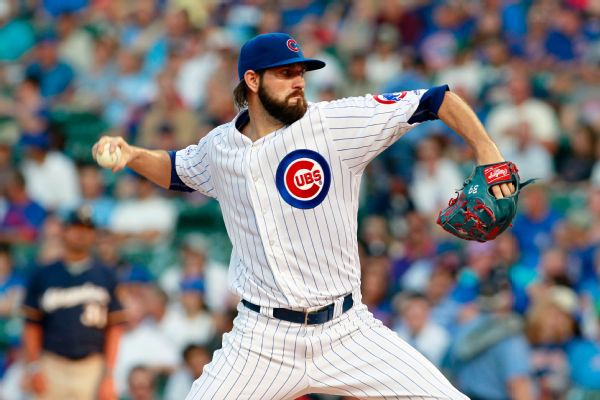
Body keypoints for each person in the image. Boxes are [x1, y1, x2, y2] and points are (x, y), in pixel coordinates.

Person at [93, 32, 516, 399]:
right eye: (285, 73)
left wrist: (488, 151)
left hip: (347, 331)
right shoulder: (219, 147)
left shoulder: (334, 123)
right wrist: (131, 155)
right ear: (252, 81)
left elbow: (437, 99)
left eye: (301, 73)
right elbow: (174, 170)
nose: (299, 82)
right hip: (261, 339)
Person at [21, 207, 125, 400]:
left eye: (86, 229)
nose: (80, 234)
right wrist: (34, 367)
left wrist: (109, 374)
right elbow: (32, 324)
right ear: (64, 231)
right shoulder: (43, 274)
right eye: (75, 228)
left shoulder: (106, 274)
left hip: (92, 367)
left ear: (93, 234)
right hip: (52, 365)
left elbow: (115, 327)